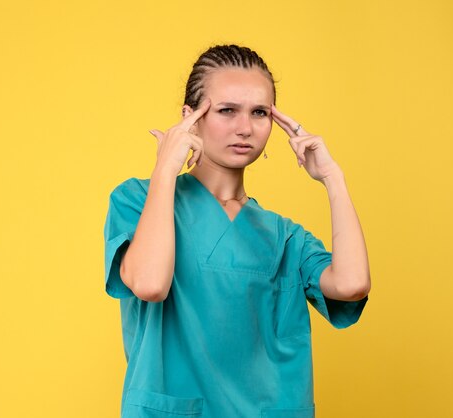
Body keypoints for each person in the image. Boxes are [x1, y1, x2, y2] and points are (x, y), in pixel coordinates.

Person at [104, 44, 371, 417]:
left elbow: (352, 284)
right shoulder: (138, 200)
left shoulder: (283, 236)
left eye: (259, 112)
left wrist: (333, 179)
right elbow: (150, 284)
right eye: (226, 111)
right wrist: (165, 168)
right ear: (190, 117)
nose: (244, 128)